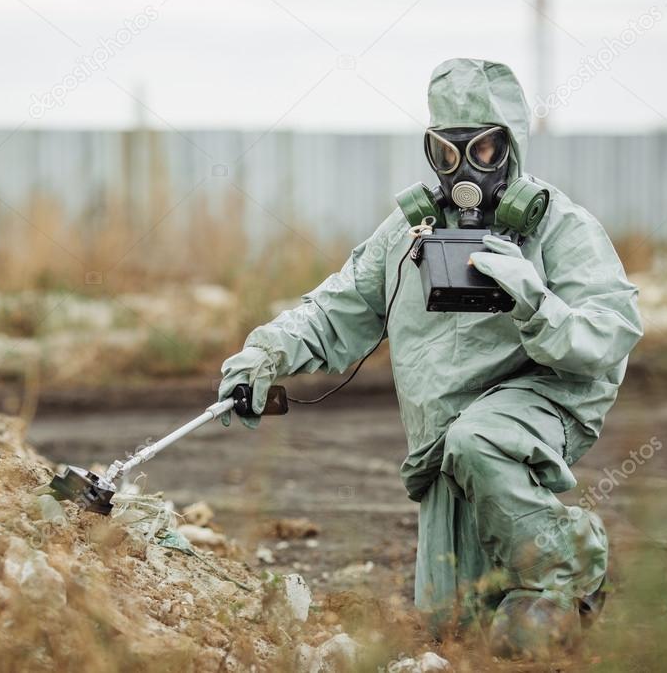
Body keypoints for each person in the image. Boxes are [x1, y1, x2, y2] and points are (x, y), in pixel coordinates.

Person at [217, 58, 643, 660]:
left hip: (544, 400)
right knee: (454, 626)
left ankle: (567, 566)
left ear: (513, 147)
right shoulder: (409, 234)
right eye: (446, 155)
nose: (465, 171)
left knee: (480, 442)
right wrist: (265, 352)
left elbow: (612, 329)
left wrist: (535, 301)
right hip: (444, 433)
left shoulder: (560, 228)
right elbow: (335, 307)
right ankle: (518, 595)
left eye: (486, 150)